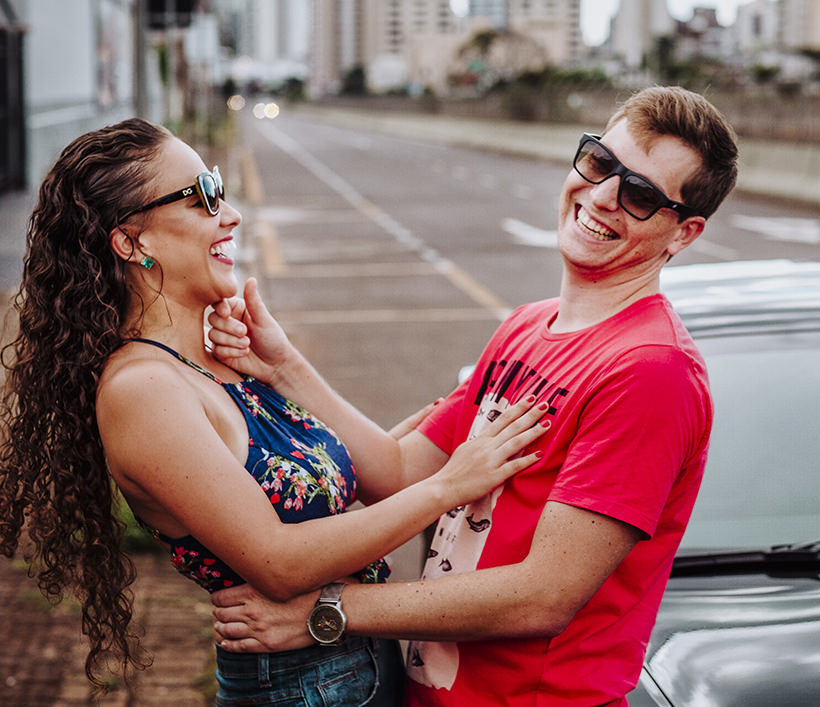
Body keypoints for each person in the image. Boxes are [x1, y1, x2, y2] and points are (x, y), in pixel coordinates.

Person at [209, 85, 738, 705]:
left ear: (684, 233)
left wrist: (328, 609)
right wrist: (281, 365)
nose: (600, 197)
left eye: (640, 195)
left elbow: (544, 596)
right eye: (599, 163)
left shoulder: (651, 371)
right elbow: (401, 472)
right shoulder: (525, 327)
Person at [0, 118, 549, 704]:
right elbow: (280, 563)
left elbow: (334, 483)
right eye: (204, 196)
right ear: (134, 242)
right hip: (297, 686)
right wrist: (448, 487)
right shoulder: (145, 391)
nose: (230, 214)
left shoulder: (214, 363)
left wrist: (286, 367)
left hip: (352, 659)